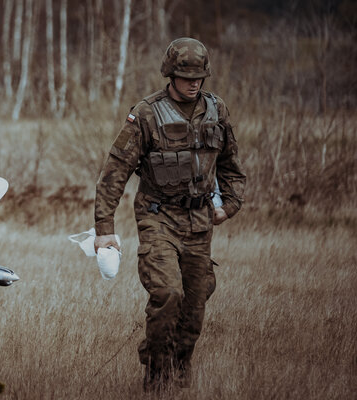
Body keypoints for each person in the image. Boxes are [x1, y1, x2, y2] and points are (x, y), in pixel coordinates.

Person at [93, 37, 246, 391]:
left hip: (200, 221)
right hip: (157, 217)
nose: (194, 83)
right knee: (167, 293)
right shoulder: (146, 113)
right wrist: (104, 227)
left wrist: (229, 206)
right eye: (186, 75)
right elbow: (114, 173)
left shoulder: (216, 110)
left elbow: (231, 167)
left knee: (194, 305)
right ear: (170, 74)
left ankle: (179, 372)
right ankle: (155, 374)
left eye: (199, 77)